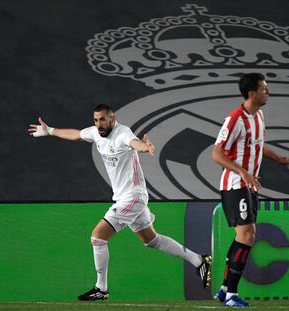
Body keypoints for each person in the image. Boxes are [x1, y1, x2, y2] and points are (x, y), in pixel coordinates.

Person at [28, 104, 211, 300]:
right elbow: (76, 134)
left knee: (97, 237)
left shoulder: (122, 133)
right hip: (127, 198)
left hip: (133, 197)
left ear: (112, 119)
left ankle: (101, 288)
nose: (99, 124)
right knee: (151, 240)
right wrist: (50, 131)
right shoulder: (96, 133)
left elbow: (134, 143)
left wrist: (145, 146)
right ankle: (199, 259)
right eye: (96, 120)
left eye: (103, 119)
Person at [212, 73, 289, 307]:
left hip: (249, 185)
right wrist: (242, 171)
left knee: (243, 236)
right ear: (252, 93)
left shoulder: (258, 115)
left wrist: (279, 158)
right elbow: (216, 153)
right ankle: (231, 294)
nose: (267, 92)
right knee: (248, 235)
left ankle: (223, 289)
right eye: (264, 89)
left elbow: (258, 146)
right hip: (235, 184)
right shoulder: (234, 119)